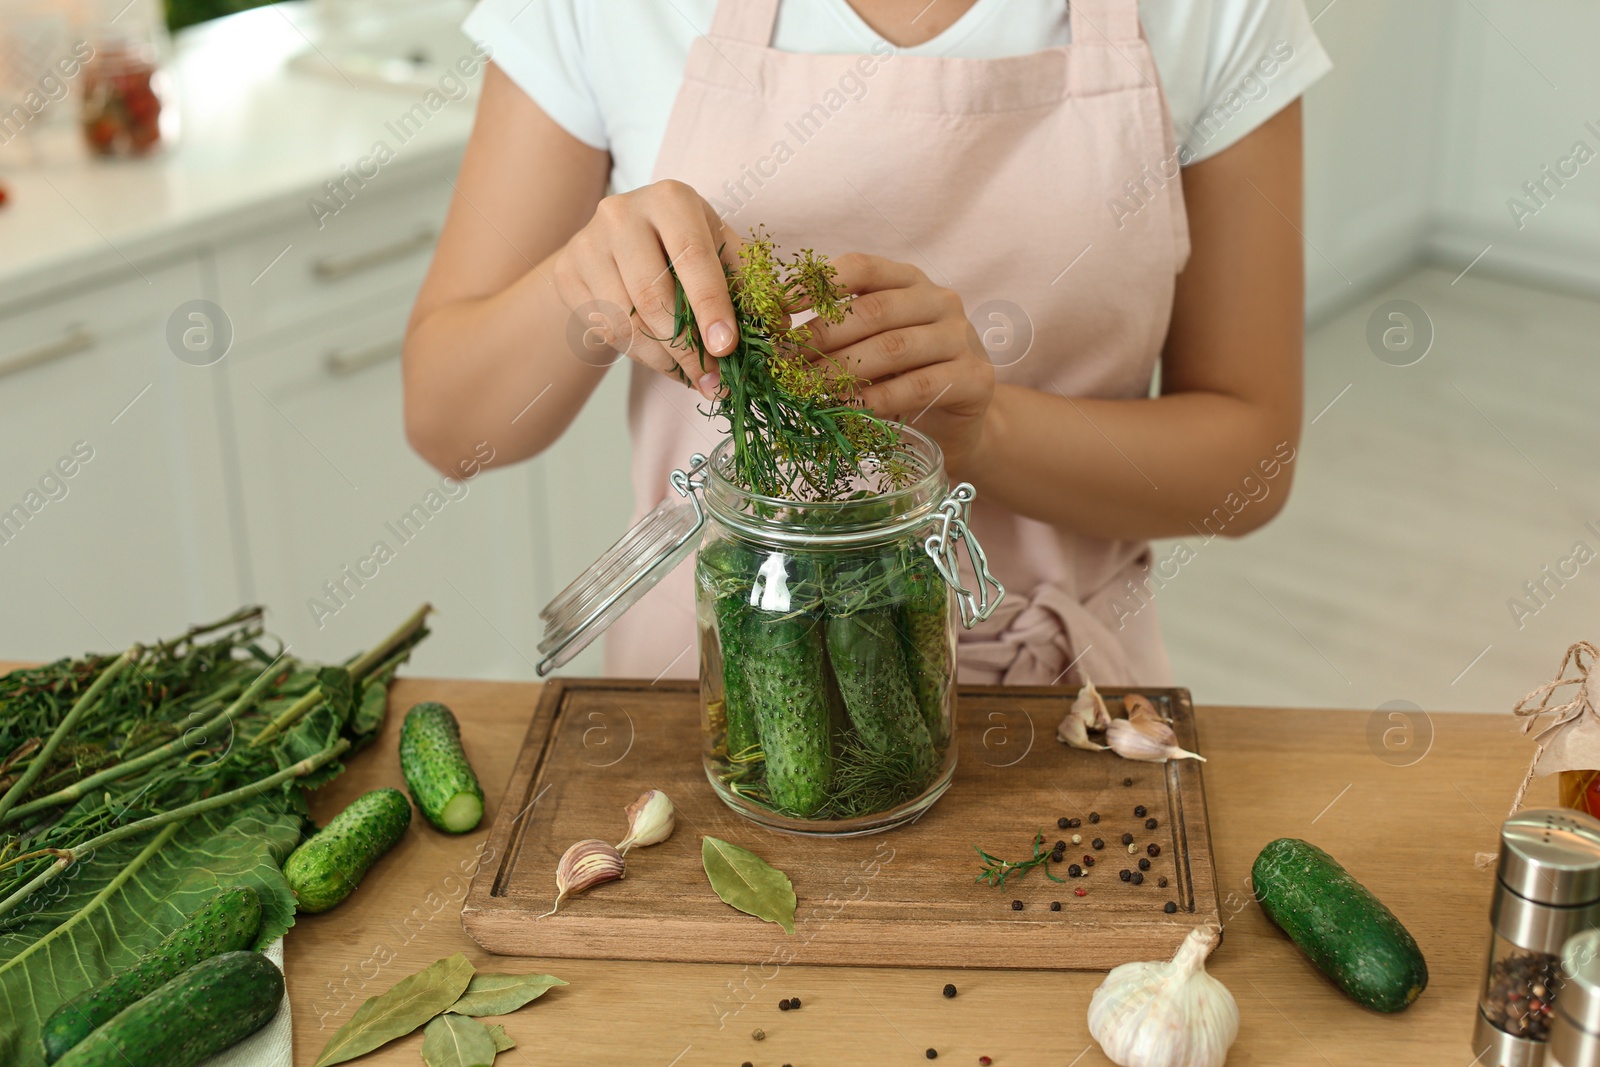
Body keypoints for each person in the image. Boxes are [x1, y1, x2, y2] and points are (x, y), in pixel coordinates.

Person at [402, 0, 1331, 685]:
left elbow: (1253, 463)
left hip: (1056, 714)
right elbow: (449, 421)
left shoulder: (1216, 14)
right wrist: (589, 285)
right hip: (708, 691)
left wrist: (987, 434)